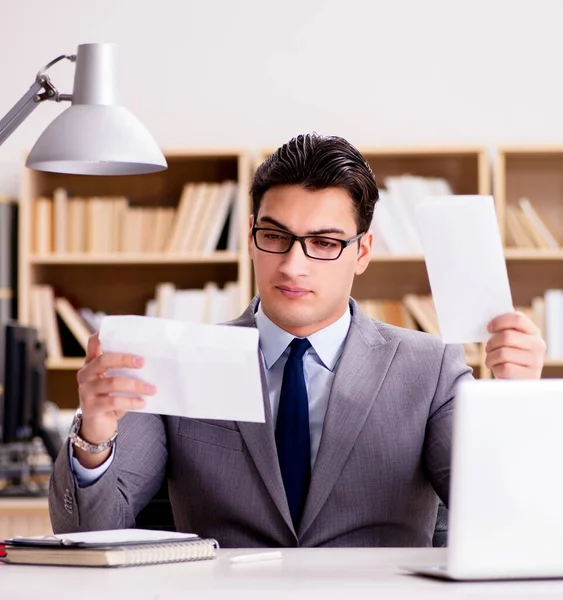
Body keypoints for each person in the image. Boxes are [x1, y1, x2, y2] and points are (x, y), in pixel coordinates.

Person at [49, 133, 546, 547]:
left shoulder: (429, 368)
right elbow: (87, 533)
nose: (292, 264)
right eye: (275, 236)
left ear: (363, 251)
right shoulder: (173, 358)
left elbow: (503, 523)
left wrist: (516, 402)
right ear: (250, 236)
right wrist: (93, 433)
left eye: (325, 243)